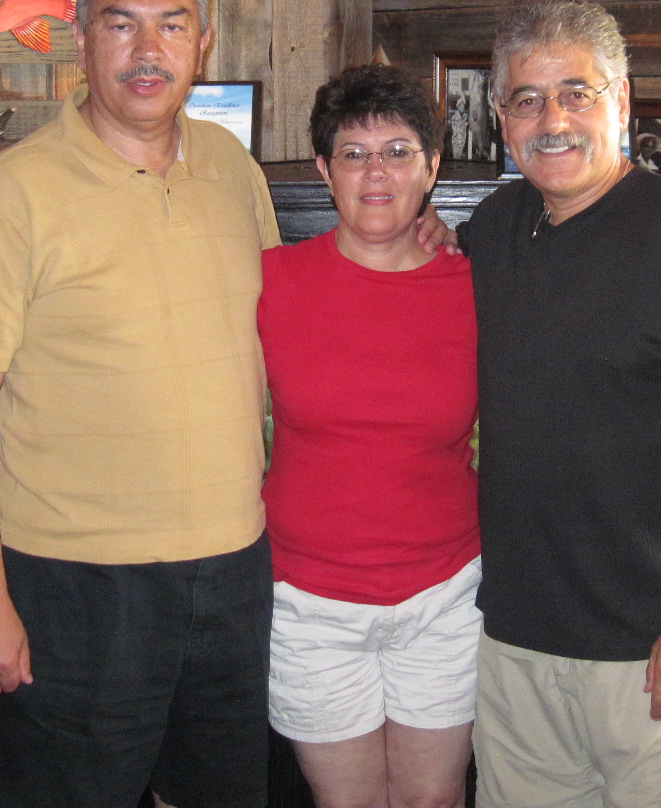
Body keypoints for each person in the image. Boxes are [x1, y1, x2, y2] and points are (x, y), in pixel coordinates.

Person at [0, 0, 281, 808]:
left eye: (171, 24)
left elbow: (289, 332)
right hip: (73, 589)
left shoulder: (233, 170)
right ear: (80, 38)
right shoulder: (13, 195)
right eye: (121, 23)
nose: (147, 50)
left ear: (203, 41)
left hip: (234, 575)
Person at [458, 0, 661, 808]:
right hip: (515, 647)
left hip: (653, 648)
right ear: (501, 116)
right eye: (528, 99)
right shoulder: (492, 230)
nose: (553, 121)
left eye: (578, 93)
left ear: (623, 101)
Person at [257, 65, 480, 808]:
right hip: (309, 602)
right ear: (325, 170)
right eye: (354, 154)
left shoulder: (478, 287)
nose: (376, 173)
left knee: (433, 800)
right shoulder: (270, 282)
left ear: (432, 167)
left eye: (398, 152)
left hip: (445, 596)